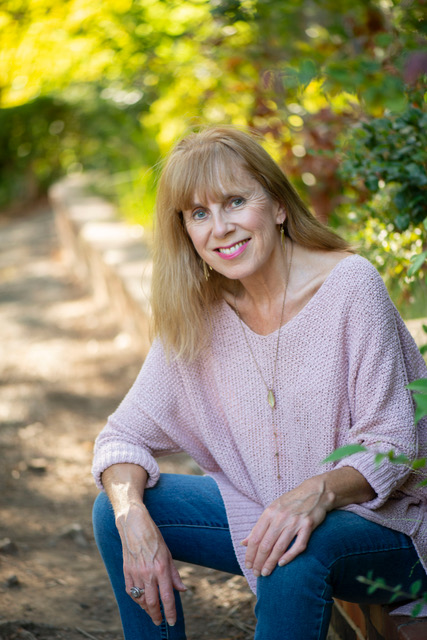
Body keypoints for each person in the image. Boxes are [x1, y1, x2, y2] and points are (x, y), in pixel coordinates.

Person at [92, 126, 427, 640]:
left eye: (234, 202)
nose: (220, 228)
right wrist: (130, 513)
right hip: (269, 513)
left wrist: (314, 494)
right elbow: (122, 438)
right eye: (199, 214)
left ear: (277, 206)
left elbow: (394, 441)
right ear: (184, 230)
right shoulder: (200, 312)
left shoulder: (349, 287)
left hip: (390, 530)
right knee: (116, 512)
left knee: (295, 548)